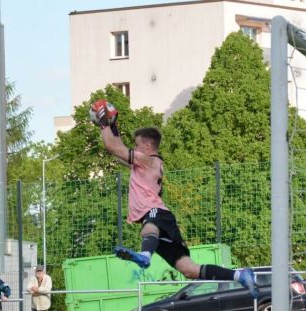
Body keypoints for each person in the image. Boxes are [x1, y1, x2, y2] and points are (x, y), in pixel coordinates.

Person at [90, 100, 259, 299]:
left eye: (136, 144)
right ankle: (240, 275)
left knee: (148, 226)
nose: (134, 148)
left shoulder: (148, 161)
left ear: (146, 145)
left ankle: (145, 255)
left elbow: (113, 147)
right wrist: (112, 125)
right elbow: (116, 148)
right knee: (189, 269)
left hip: (157, 213)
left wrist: (103, 124)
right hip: (164, 220)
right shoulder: (144, 163)